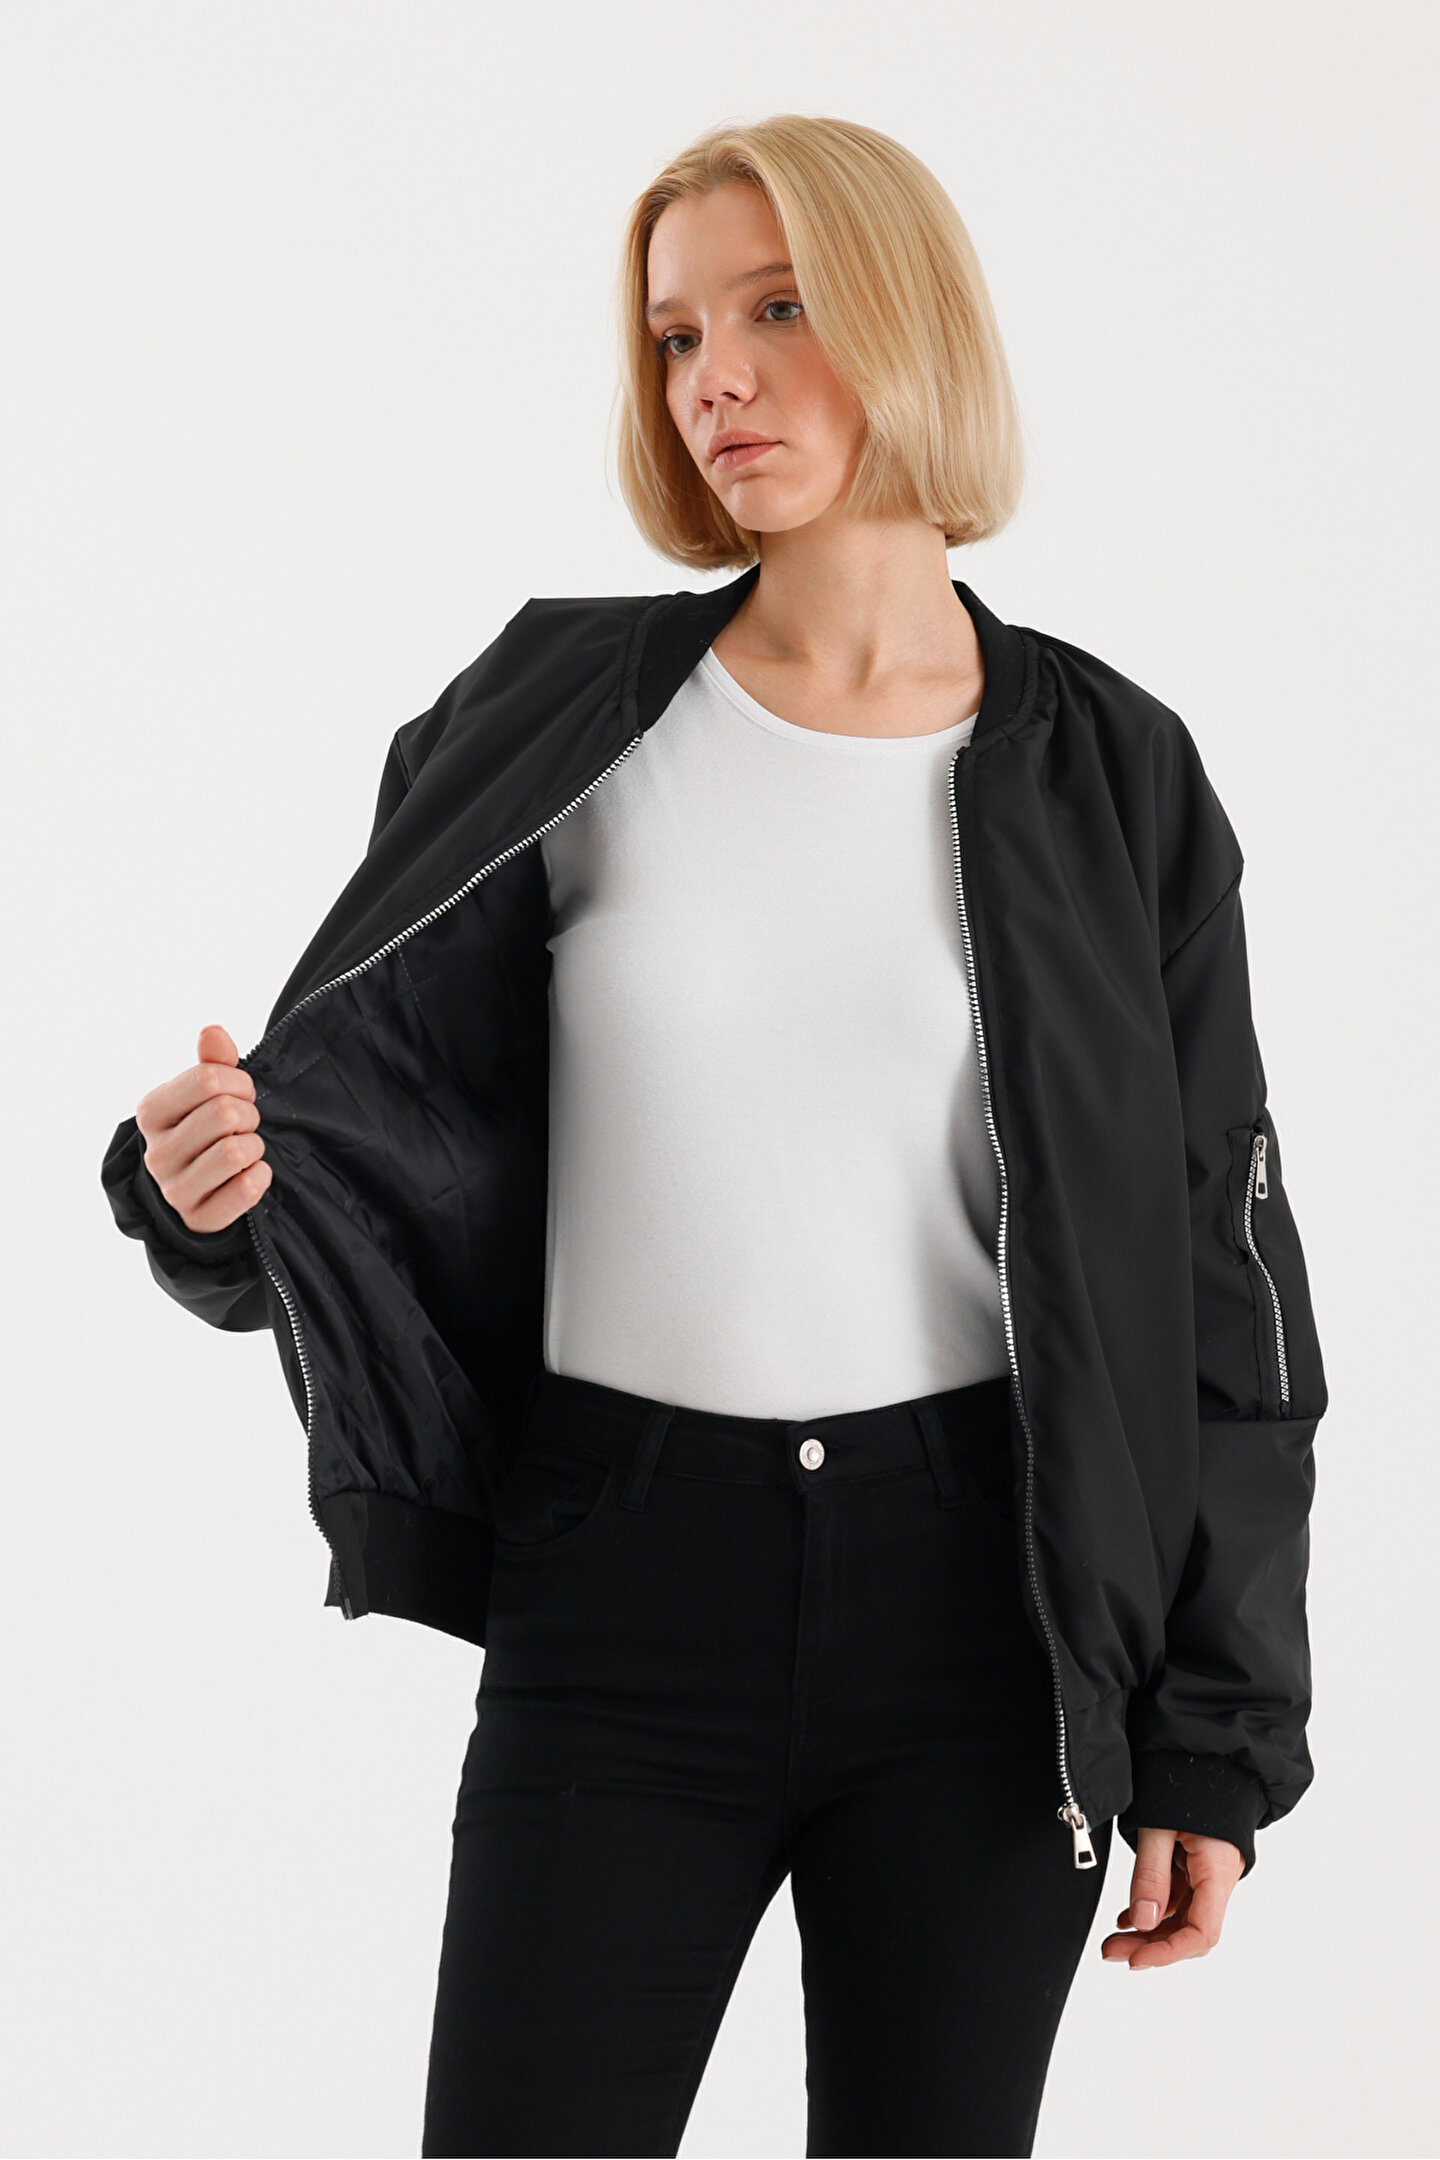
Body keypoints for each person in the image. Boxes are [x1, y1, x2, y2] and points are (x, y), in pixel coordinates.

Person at [101, 114, 1328, 2159]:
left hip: (988, 1614)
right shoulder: (558, 711)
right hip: (619, 1592)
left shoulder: (1113, 773)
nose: (715, 381)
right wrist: (207, 1201)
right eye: (676, 336)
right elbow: (361, 1119)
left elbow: (1230, 1280)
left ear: (913, 323)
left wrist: (1213, 1730)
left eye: (776, 312)